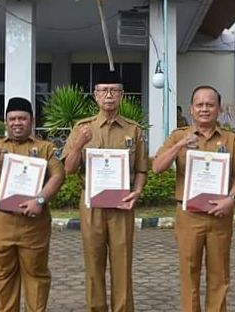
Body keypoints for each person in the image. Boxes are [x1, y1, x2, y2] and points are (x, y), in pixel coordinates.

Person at [152, 86, 235, 312]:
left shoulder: (230, 139)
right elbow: (157, 167)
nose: (204, 109)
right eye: (200, 105)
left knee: (219, 274)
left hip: (220, 215)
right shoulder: (178, 136)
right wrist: (179, 146)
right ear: (191, 109)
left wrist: (231, 199)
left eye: (210, 105)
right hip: (189, 216)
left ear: (219, 109)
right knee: (189, 272)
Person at [0, 97, 64, 312]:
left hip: (33, 223)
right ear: (5, 121)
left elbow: (58, 176)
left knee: (36, 274)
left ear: (32, 121)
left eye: (22, 118)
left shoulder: (45, 148)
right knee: (2, 275)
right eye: (12, 119)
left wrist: (40, 200)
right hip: (0, 223)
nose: (17, 123)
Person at [61, 70, 147, 312]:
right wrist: (78, 145)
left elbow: (141, 169)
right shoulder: (82, 128)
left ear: (122, 95)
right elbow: (68, 169)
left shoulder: (133, 130)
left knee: (122, 264)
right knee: (93, 263)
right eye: (103, 91)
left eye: (114, 91)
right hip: (92, 205)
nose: (109, 95)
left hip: (122, 205)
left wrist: (137, 191)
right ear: (95, 95)